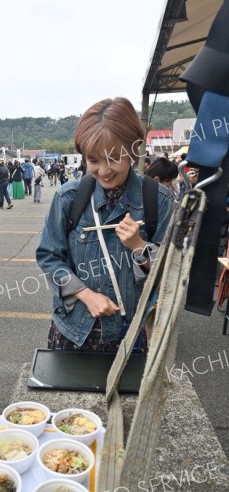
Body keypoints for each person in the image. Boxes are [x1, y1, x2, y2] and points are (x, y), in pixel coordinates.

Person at [36, 97, 173, 352]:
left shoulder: (158, 200)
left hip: (130, 335)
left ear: (134, 151)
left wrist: (140, 247)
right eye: (94, 160)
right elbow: (49, 257)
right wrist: (86, 295)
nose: (104, 170)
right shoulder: (69, 197)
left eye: (113, 158)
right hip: (73, 332)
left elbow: (169, 274)